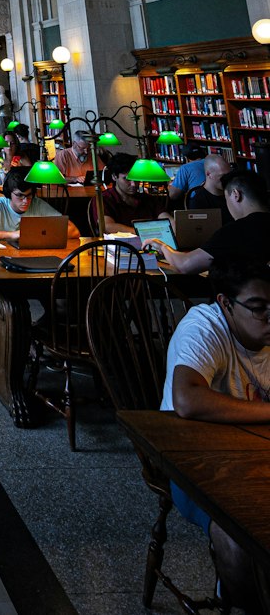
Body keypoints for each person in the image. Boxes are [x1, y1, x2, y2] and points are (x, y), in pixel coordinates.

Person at [161, 257, 270, 611]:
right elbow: (187, 399)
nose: (269, 316)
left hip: (253, 453)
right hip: (191, 461)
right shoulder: (206, 327)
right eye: (258, 308)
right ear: (225, 303)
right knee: (240, 542)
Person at [148, 169, 270, 274]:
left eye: (226, 198)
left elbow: (184, 265)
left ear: (235, 194)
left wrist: (162, 246)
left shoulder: (236, 231)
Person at [0, 168, 79, 242]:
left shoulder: (37, 204)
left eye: (29, 195)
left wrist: (36, 235)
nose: (25, 201)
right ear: (8, 193)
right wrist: (11, 235)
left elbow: (73, 231)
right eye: (19, 196)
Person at [94, 152, 169, 234]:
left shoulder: (147, 198)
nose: (133, 184)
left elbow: (166, 219)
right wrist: (142, 233)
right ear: (114, 177)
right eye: (127, 179)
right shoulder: (104, 199)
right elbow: (107, 226)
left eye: (135, 178)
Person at [183, 154, 232, 222]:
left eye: (229, 175)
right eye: (222, 176)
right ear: (209, 174)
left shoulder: (232, 192)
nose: (228, 179)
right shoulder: (198, 200)